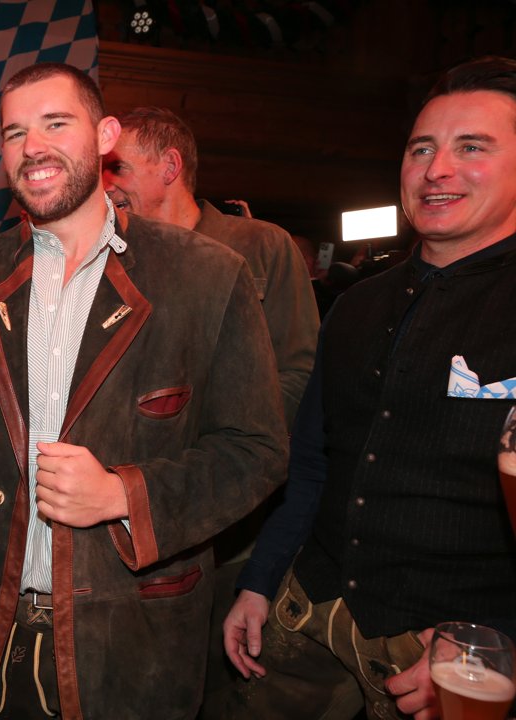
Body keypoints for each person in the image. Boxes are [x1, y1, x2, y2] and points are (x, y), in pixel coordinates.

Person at [0, 62, 288, 719]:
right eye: (15, 132)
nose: (32, 147)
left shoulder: (207, 277)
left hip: (129, 646)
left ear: (105, 136)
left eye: (55, 124)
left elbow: (256, 452)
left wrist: (123, 495)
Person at [216, 55, 516, 720]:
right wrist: (260, 581)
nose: (436, 170)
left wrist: (499, 645)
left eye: (472, 147)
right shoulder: (356, 304)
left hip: (444, 649)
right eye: (421, 149)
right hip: (308, 609)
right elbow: (312, 463)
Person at [103, 106, 319, 429]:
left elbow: (301, 374)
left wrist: (222, 437)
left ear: (170, 167)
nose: (104, 186)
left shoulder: (261, 245)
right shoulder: (112, 262)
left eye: (117, 168)